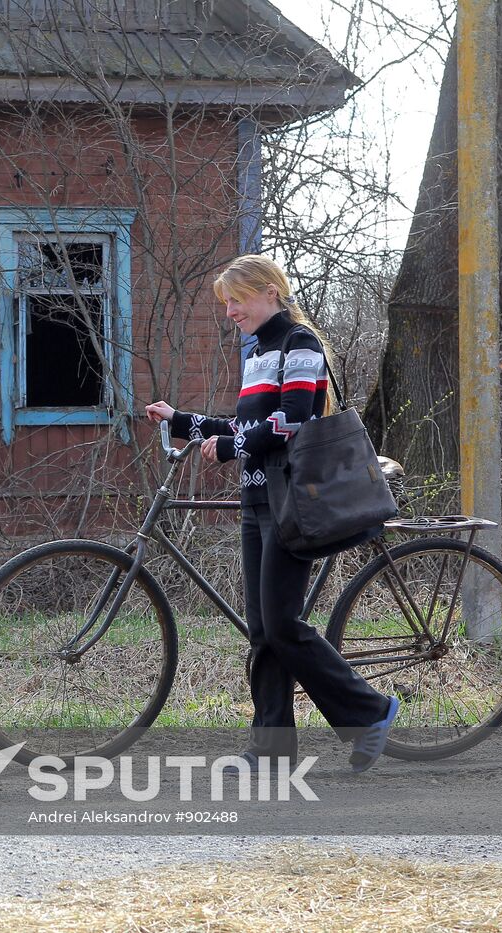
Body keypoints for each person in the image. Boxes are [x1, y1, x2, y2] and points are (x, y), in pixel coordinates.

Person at [145, 254, 399, 773]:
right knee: (262, 629)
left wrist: (232, 447)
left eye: (237, 300)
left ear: (269, 292)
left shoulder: (299, 343)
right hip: (257, 499)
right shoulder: (258, 352)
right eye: (226, 303)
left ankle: (370, 711)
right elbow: (246, 426)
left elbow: (292, 421)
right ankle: (272, 748)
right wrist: (182, 420)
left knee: (282, 624)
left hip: (292, 500)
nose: (230, 311)